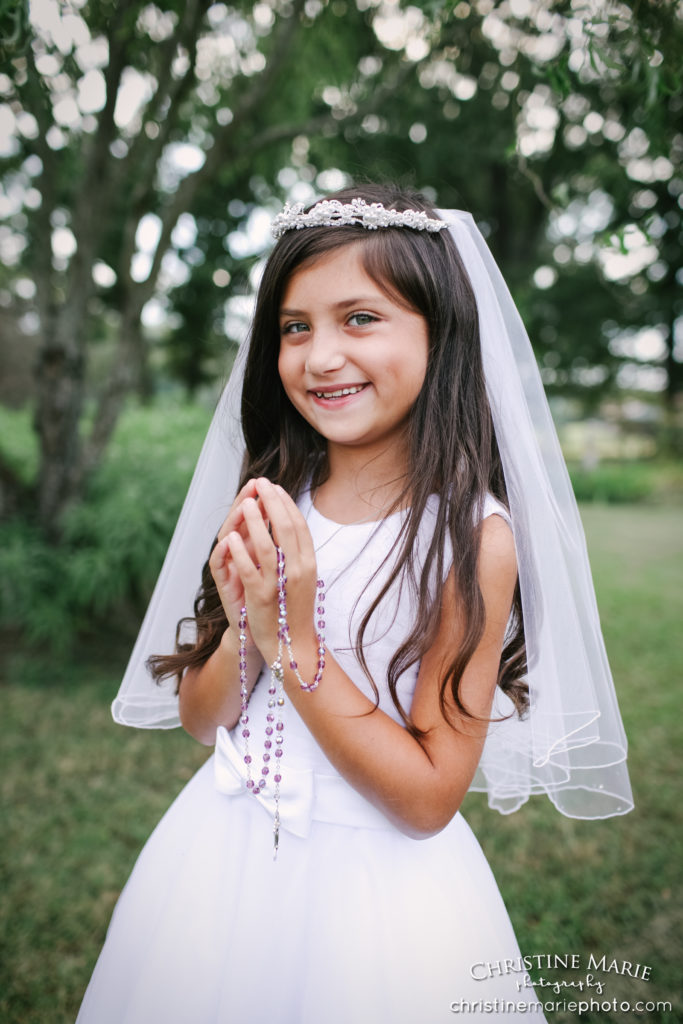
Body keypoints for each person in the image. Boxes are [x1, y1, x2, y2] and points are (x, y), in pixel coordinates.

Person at [77, 185, 632, 1023]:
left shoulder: (470, 541)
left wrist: (291, 631)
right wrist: (248, 632)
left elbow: (425, 798)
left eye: (360, 319)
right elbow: (203, 718)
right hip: (214, 859)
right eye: (294, 327)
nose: (319, 356)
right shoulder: (274, 495)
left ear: (439, 334)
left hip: (371, 894)